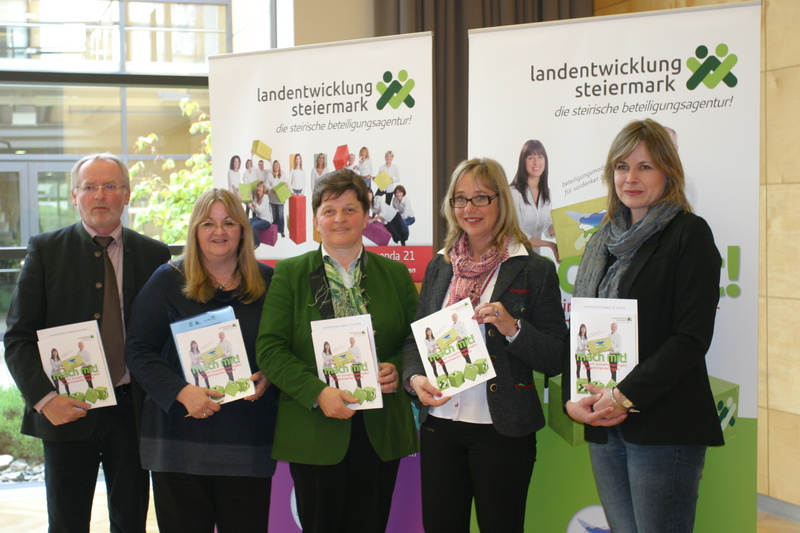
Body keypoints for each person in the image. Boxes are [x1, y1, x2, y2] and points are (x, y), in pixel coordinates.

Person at [564, 118, 723, 533]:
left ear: (668, 171)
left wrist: (624, 395)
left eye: (645, 167)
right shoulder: (602, 240)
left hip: (664, 425)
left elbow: (691, 338)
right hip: (604, 421)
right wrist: (573, 398)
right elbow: (580, 327)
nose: (630, 178)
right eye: (622, 166)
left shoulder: (689, 234)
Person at [3, 153, 170, 533]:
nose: (100, 195)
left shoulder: (155, 255)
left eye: (110, 186)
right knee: (67, 522)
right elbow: (17, 337)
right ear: (74, 195)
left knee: (131, 520)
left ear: (126, 194)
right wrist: (45, 400)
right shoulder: (46, 250)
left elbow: (165, 336)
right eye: (90, 186)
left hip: (134, 410)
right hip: (66, 409)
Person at [403, 157, 567, 533]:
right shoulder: (440, 266)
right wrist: (414, 379)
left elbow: (555, 356)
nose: (469, 208)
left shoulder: (534, 269)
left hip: (502, 430)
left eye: (481, 198)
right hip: (440, 426)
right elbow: (415, 339)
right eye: (460, 199)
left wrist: (513, 328)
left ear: (501, 201)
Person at [256, 169, 419, 533]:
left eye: (349, 209)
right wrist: (318, 392)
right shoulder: (290, 273)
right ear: (317, 220)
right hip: (315, 428)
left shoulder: (395, 275)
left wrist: (397, 367)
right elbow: (270, 349)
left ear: (366, 215)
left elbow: (415, 341)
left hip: (380, 429)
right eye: (329, 210)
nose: (339, 219)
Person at [126, 188, 278, 533]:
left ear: (243, 230)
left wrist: (270, 374)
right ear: (195, 230)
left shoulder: (269, 282)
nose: (219, 231)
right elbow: (138, 349)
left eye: (229, 223)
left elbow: (284, 346)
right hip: (179, 444)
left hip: (247, 441)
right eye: (208, 223)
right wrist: (181, 392)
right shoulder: (167, 280)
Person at [509, 140, 559, 260]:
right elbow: (516, 233)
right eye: (531, 158)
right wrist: (550, 245)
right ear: (523, 162)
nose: (536, 162)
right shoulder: (513, 192)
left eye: (540, 157)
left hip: (533, 258)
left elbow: (548, 228)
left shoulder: (546, 193)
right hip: (513, 258)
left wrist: (562, 223)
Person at [267, 159, 289, 238]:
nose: (276, 166)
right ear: (273, 166)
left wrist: (287, 184)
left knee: (280, 215)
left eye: (277, 165)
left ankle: (281, 230)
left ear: (279, 166)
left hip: (280, 199)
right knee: (274, 215)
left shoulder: (283, 173)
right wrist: (271, 189)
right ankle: (275, 230)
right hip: (272, 198)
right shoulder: (270, 175)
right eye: (275, 165)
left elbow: (287, 182)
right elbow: (266, 185)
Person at [249, 180, 272, 247]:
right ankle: (247, 239)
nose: (259, 188)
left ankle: (257, 243)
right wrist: (250, 206)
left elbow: (259, 210)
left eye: (261, 187)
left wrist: (251, 200)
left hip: (266, 221)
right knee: (247, 221)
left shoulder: (265, 197)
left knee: (252, 225)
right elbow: (256, 211)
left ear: (263, 189)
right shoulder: (256, 198)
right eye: (258, 186)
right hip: (259, 218)